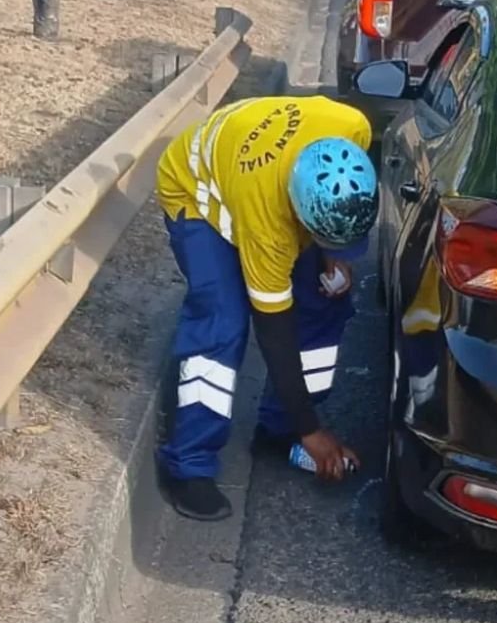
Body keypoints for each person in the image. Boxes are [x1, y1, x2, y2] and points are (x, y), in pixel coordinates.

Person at [154, 94, 379, 520]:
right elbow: (274, 331)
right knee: (223, 322)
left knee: (325, 299)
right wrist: (313, 431)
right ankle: (187, 465)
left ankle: (279, 427)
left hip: (252, 153)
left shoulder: (353, 127)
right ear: (295, 211)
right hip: (197, 187)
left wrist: (333, 253)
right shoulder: (268, 226)